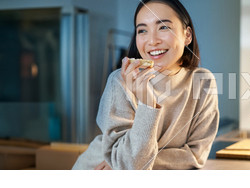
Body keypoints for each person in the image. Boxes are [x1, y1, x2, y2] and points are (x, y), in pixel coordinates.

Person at [72, 0, 219, 170]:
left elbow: (195, 156)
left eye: (163, 27)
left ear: (187, 35)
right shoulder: (119, 81)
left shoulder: (203, 82)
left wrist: (126, 163)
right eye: (142, 30)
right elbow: (130, 165)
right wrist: (147, 105)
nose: (152, 40)